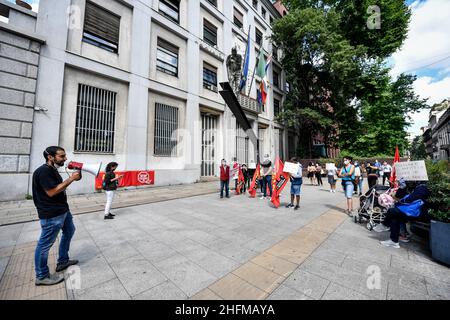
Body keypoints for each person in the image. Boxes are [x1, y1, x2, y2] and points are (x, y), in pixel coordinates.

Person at [32, 146, 81, 286]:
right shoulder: (43, 172)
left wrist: (75, 177)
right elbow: (52, 192)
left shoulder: (52, 170)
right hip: (51, 214)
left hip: (62, 211)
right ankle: (41, 276)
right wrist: (71, 179)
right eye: (62, 156)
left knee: (70, 231)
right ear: (50, 157)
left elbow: (60, 187)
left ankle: (63, 261)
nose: (65, 158)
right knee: (45, 245)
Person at [374, 181, 431, 248]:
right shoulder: (410, 185)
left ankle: (385, 225)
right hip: (409, 210)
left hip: (417, 212)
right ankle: (394, 241)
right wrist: (402, 188)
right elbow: (398, 195)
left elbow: (411, 199)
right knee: (395, 217)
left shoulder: (423, 187)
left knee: (392, 211)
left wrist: (401, 201)